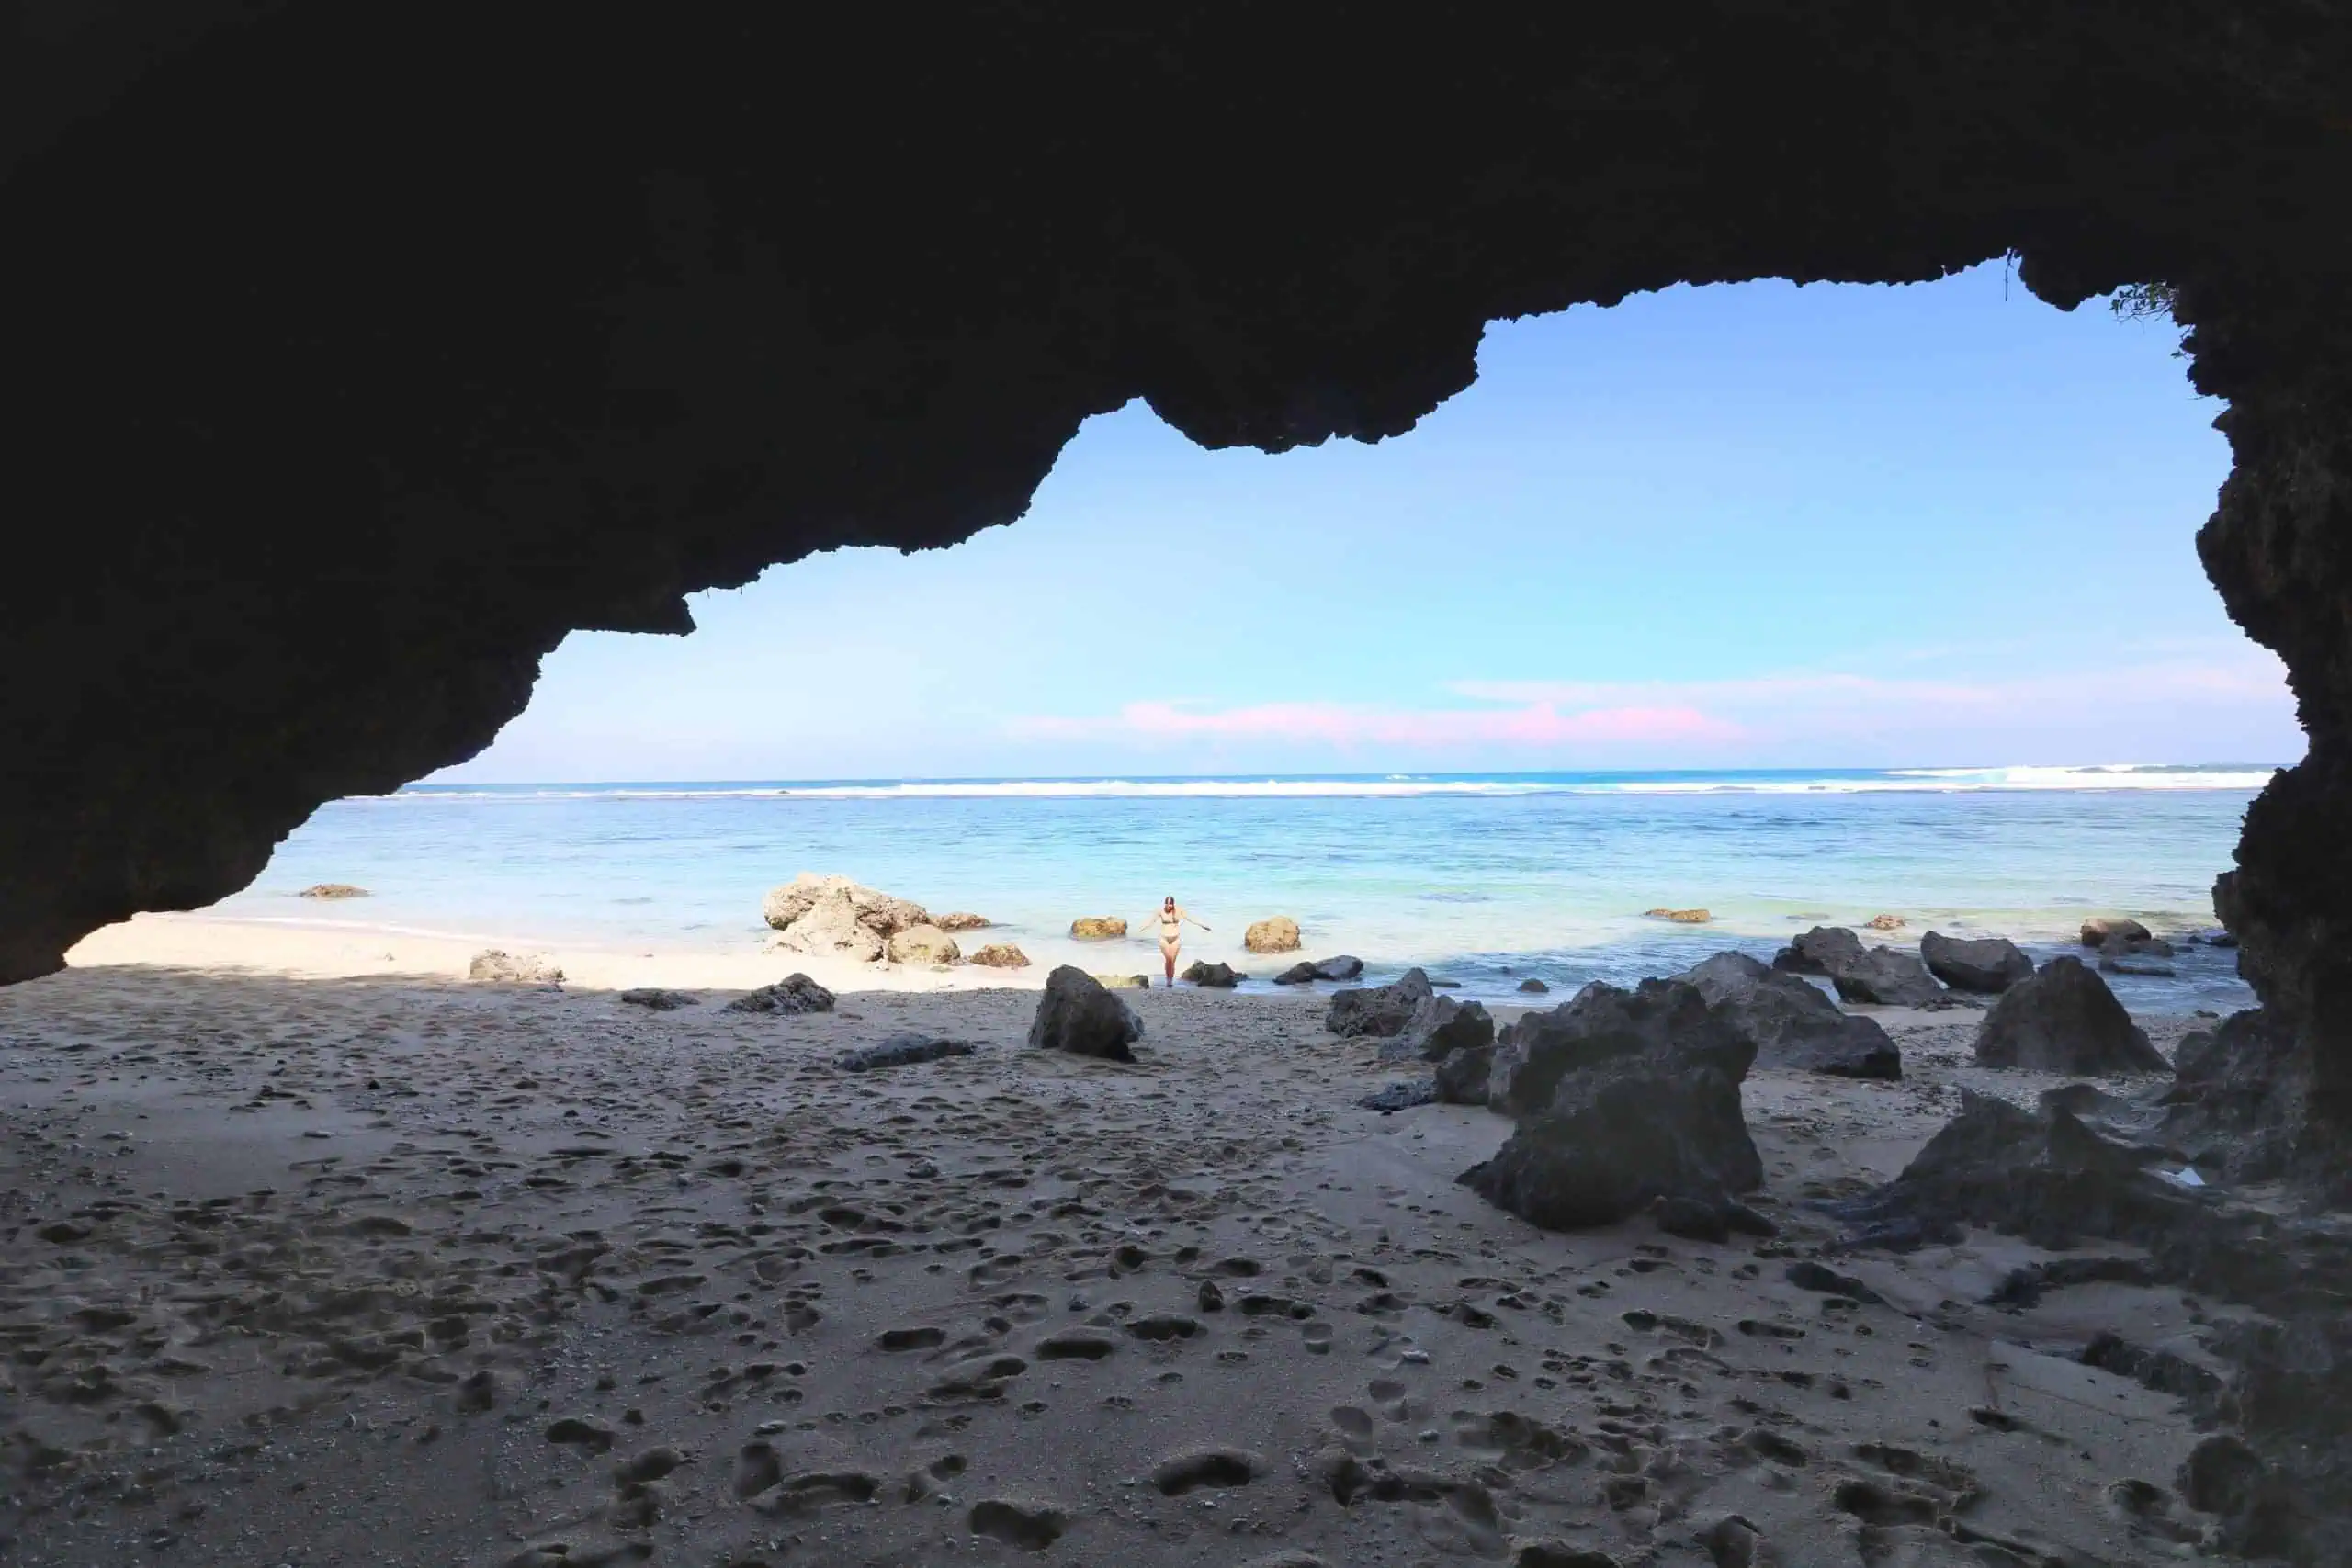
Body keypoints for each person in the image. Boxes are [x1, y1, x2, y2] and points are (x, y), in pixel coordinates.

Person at [1150, 895, 1209, 985]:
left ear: (1173, 904)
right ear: (1165, 903)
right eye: (1167, 903)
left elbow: (1190, 918)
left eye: (1171, 903)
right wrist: (1140, 929)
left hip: (1176, 938)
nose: (1169, 905)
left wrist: (1202, 925)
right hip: (1164, 938)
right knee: (1168, 959)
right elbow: (1151, 921)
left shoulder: (1178, 910)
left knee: (1172, 961)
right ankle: (1168, 980)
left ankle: (1170, 979)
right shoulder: (1161, 911)